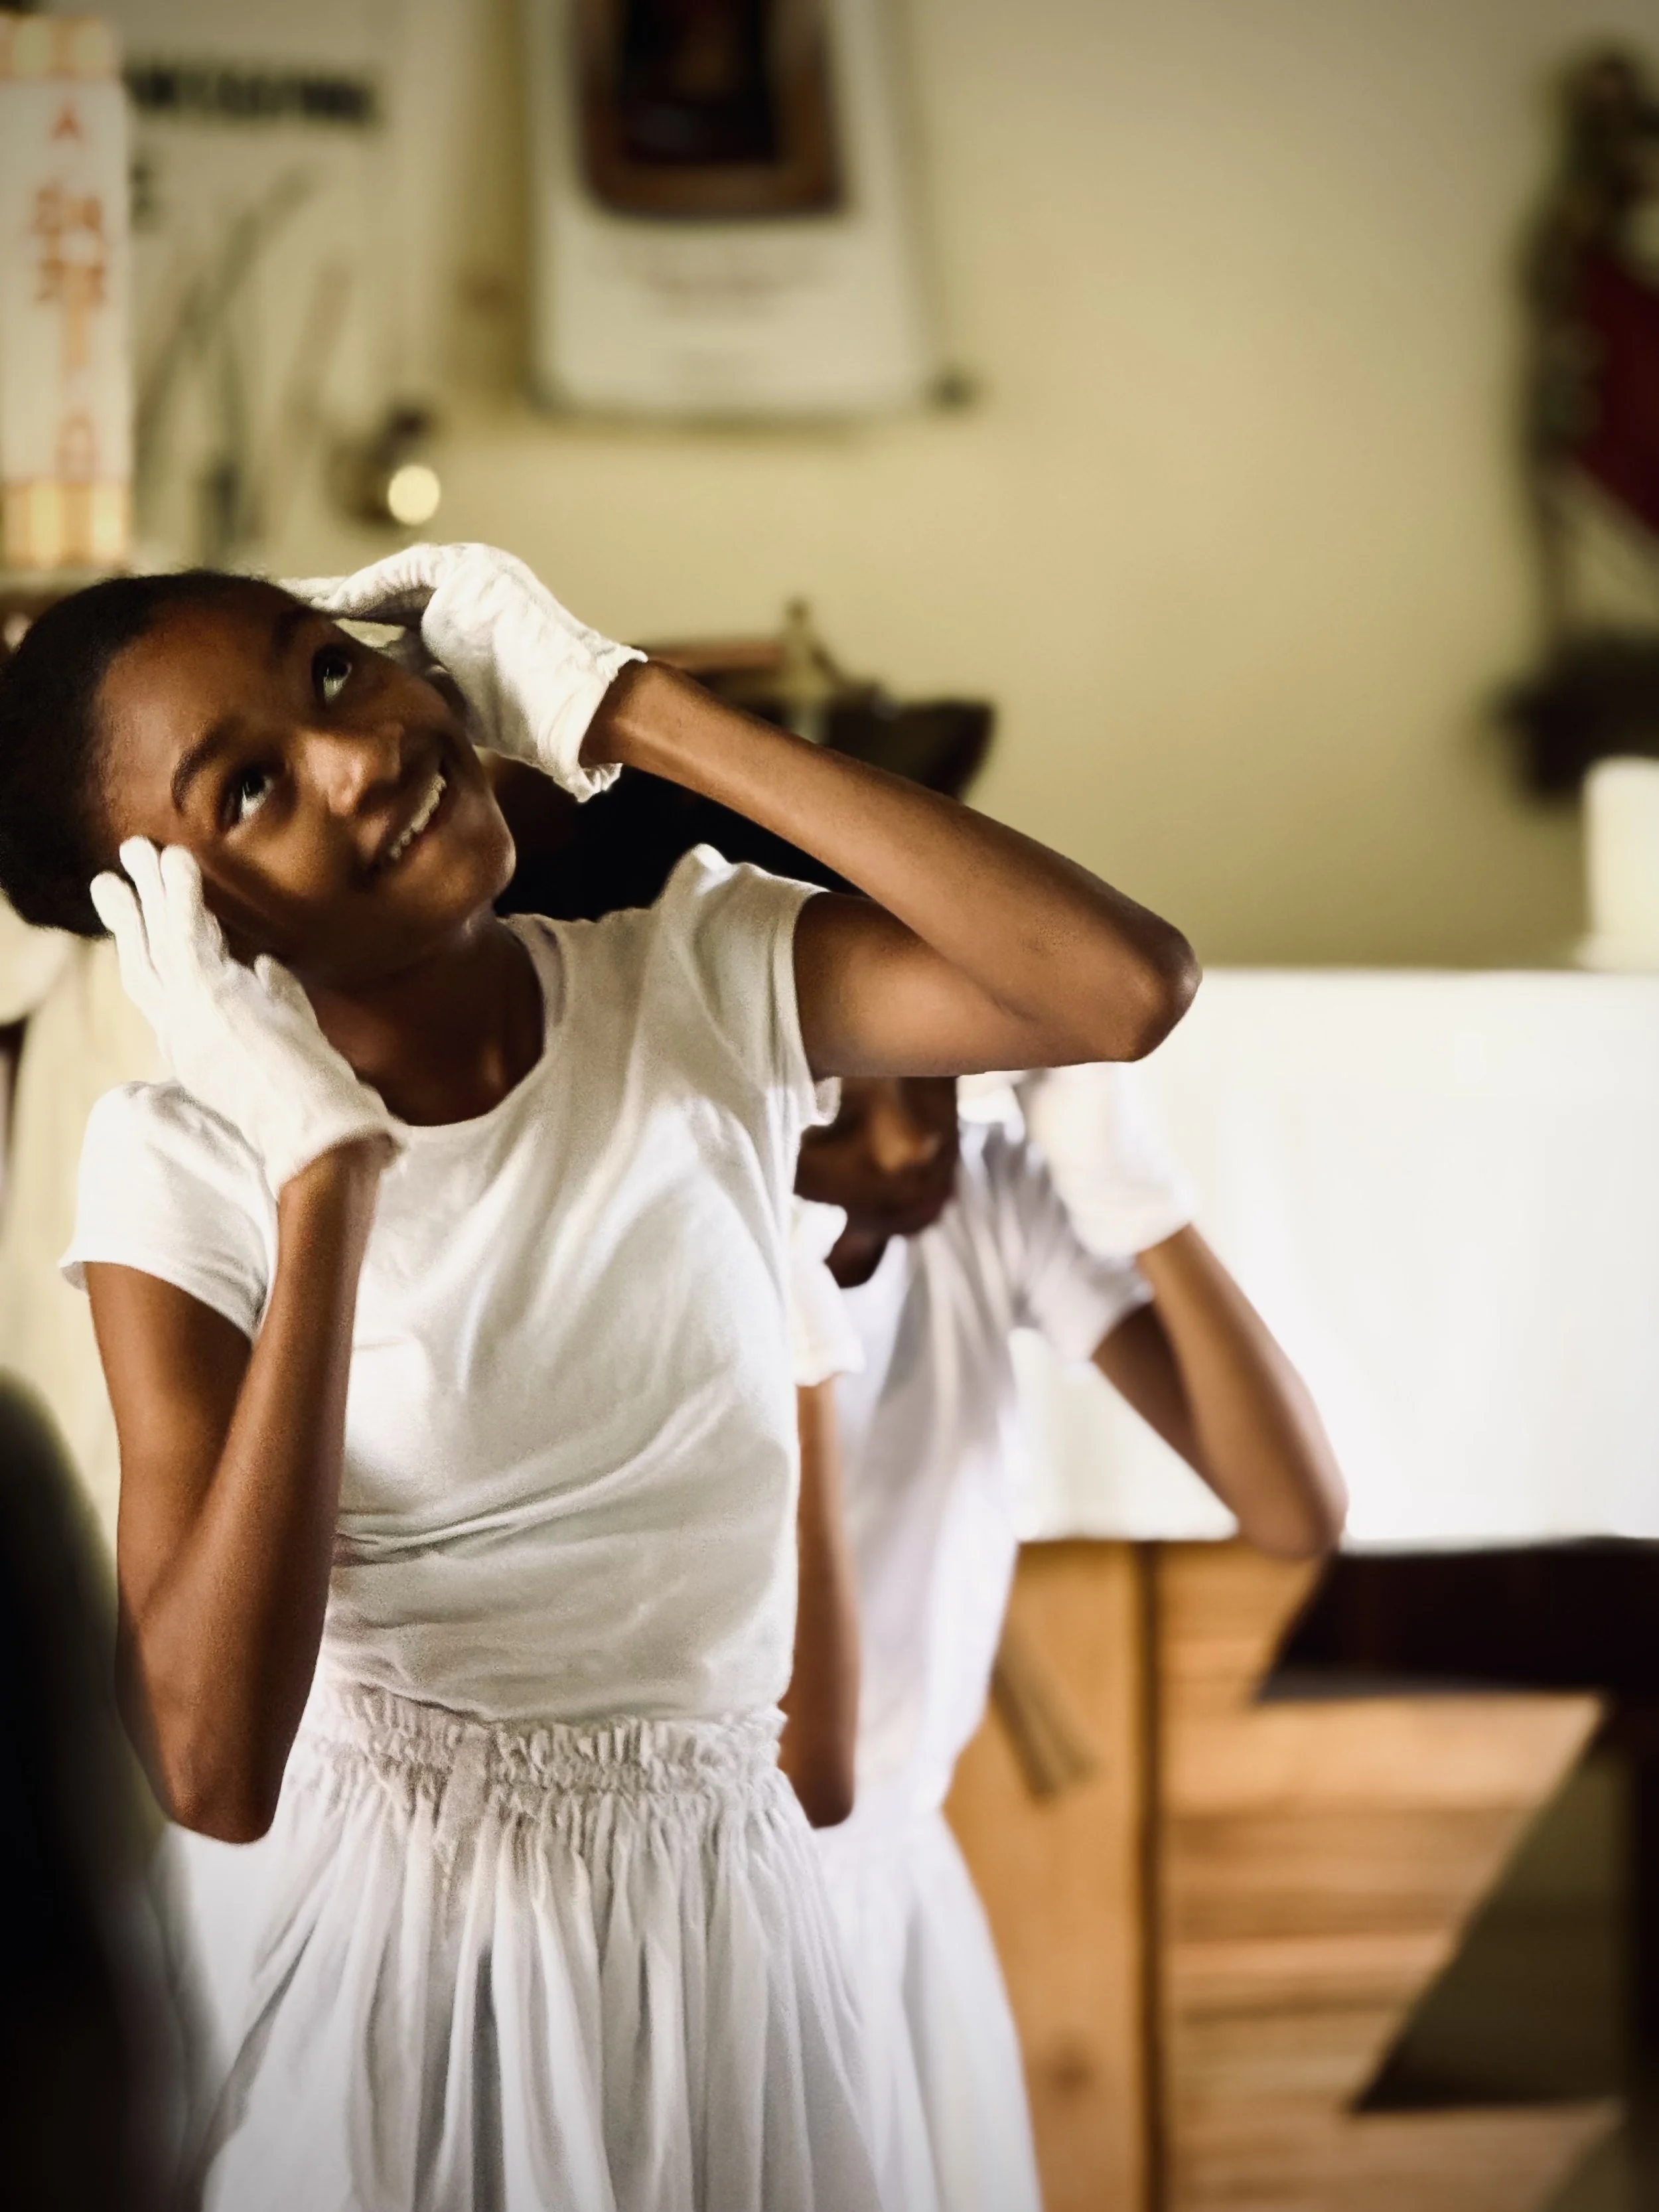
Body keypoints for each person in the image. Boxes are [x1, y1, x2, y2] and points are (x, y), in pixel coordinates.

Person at [0, 542, 1197, 2212]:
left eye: (332, 668)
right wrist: (323, 1174)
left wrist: (623, 705)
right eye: (253, 787)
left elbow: (1121, 988)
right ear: (185, 918)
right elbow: (211, 1764)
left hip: (722, 1949)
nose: (358, 753)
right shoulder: (184, 1169)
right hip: (397, 1974)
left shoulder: (694, 985)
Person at [784, 1058, 1346, 2212]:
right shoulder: (684, 1237)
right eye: (842, 1100)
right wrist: (792, 1312)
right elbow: (806, 1776)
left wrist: (1136, 1196)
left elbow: (1295, 1507)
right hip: (742, 1912)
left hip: (902, 1891)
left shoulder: (982, 1198)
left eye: (929, 1077)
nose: (904, 1142)